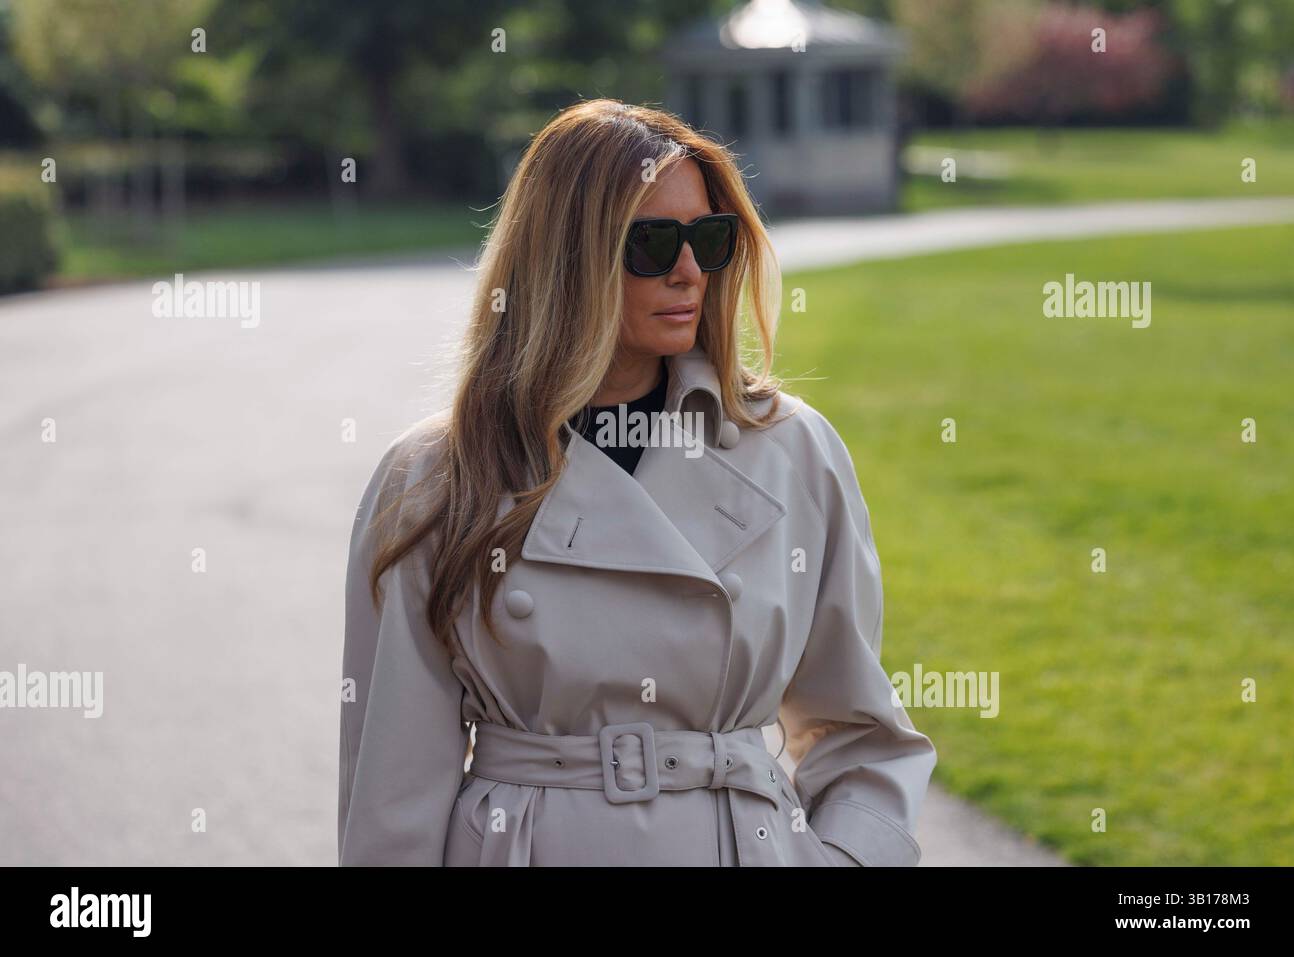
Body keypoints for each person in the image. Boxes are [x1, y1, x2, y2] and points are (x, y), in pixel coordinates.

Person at [338, 98, 937, 866]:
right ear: (566, 259)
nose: (689, 270)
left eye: (709, 239)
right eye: (652, 244)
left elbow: (861, 731)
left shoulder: (791, 449)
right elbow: (393, 790)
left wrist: (850, 858)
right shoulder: (432, 481)